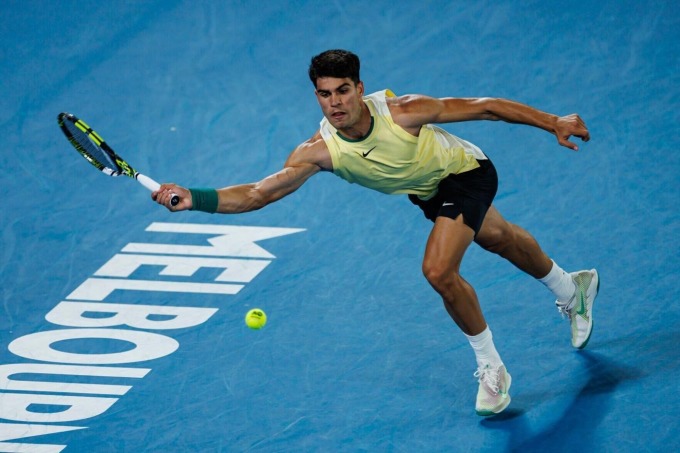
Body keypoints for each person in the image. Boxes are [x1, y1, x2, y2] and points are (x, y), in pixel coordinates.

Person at [152, 49, 599, 416]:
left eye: (343, 90)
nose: (335, 103)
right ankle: (571, 286)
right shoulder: (318, 151)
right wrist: (195, 197)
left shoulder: (404, 112)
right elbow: (256, 194)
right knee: (498, 239)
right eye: (325, 94)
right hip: (427, 190)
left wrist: (552, 121)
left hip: (466, 173)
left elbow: (485, 107)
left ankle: (492, 368)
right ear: (317, 97)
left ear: (360, 88)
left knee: (439, 271)